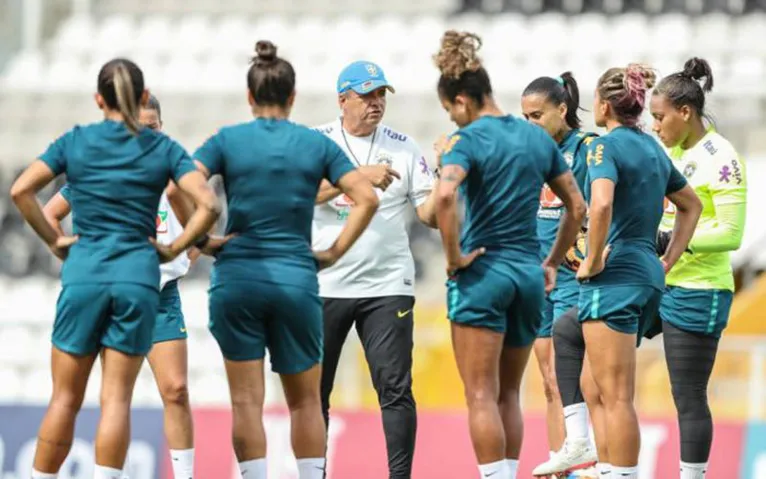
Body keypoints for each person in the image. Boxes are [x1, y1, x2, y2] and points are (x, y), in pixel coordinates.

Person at [10, 58, 220, 479]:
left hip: (85, 274)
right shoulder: (161, 150)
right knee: (116, 400)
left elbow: (21, 190)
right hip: (136, 279)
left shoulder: (78, 142)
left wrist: (55, 242)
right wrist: (174, 248)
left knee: (64, 399)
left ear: (97, 99)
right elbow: (209, 205)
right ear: (142, 98)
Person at [192, 41, 378, 479]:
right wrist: (332, 253)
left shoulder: (227, 140)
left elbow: (184, 183)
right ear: (293, 97)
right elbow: (366, 197)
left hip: (237, 278)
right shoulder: (315, 145)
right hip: (296, 278)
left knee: (245, 401)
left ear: (250, 96)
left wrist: (202, 240)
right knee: (305, 401)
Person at [432, 31, 587, 479]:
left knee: (479, 393)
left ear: (461, 101)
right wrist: (554, 262)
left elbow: (444, 197)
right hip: (528, 277)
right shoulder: (537, 139)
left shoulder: (468, 140)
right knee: (508, 394)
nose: (452, 119)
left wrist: (453, 256)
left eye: (449, 111)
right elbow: (575, 206)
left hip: (483, 272)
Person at [43, 94, 199, 479]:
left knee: (175, 390)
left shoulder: (174, 171)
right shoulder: (102, 170)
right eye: (140, 128)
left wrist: (183, 256)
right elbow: (50, 212)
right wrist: (71, 253)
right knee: (84, 397)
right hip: (108, 285)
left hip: (158, 295)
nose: (148, 135)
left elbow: (202, 227)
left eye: (155, 127)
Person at [311, 59, 438, 478]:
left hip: (387, 284)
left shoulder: (403, 146)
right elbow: (300, 194)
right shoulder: (318, 142)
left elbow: (428, 215)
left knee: (396, 389)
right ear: (342, 99)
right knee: (315, 391)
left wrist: (449, 180)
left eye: (381, 94)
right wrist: (358, 176)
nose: (376, 103)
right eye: (367, 95)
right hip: (324, 283)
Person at [576, 64, 702, 479]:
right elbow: (691, 205)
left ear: (605, 104)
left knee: (615, 396)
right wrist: (669, 259)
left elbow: (600, 204)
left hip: (615, 277)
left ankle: (621, 474)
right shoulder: (651, 147)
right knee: (593, 386)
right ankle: (606, 469)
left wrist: (592, 260)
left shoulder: (602, 146)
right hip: (647, 272)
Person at [650, 58, 746, 479]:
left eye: (660, 117)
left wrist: (672, 243)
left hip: (700, 289)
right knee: (574, 333)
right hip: (660, 280)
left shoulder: (721, 157)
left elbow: (730, 234)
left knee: (687, 394)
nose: (655, 126)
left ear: (684, 113)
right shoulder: (670, 150)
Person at [521, 72, 600, 475]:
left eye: (537, 115)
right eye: (525, 116)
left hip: (571, 275)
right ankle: (562, 465)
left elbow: (598, 207)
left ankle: (591, 460)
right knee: (548, 381)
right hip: (536, 279)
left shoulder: (587, 150)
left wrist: (584, 250)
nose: (530, 123)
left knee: (573, 375)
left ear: (562, 110)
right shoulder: (528, 155)